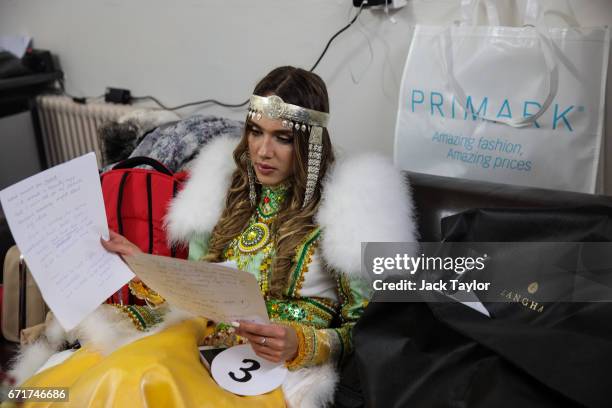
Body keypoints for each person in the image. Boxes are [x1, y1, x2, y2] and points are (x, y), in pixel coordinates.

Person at [10, 66, 416, 407]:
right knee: (60, 386)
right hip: (195, 338)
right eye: (255, 132)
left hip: (271, 368)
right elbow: (195, 286)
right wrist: (140, 264)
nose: (262, 151)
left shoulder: (348, 209)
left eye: (282, 138)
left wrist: (304, 344)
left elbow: (367, 330)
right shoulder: (229, 191)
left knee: (138, 382)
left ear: (309, 143)